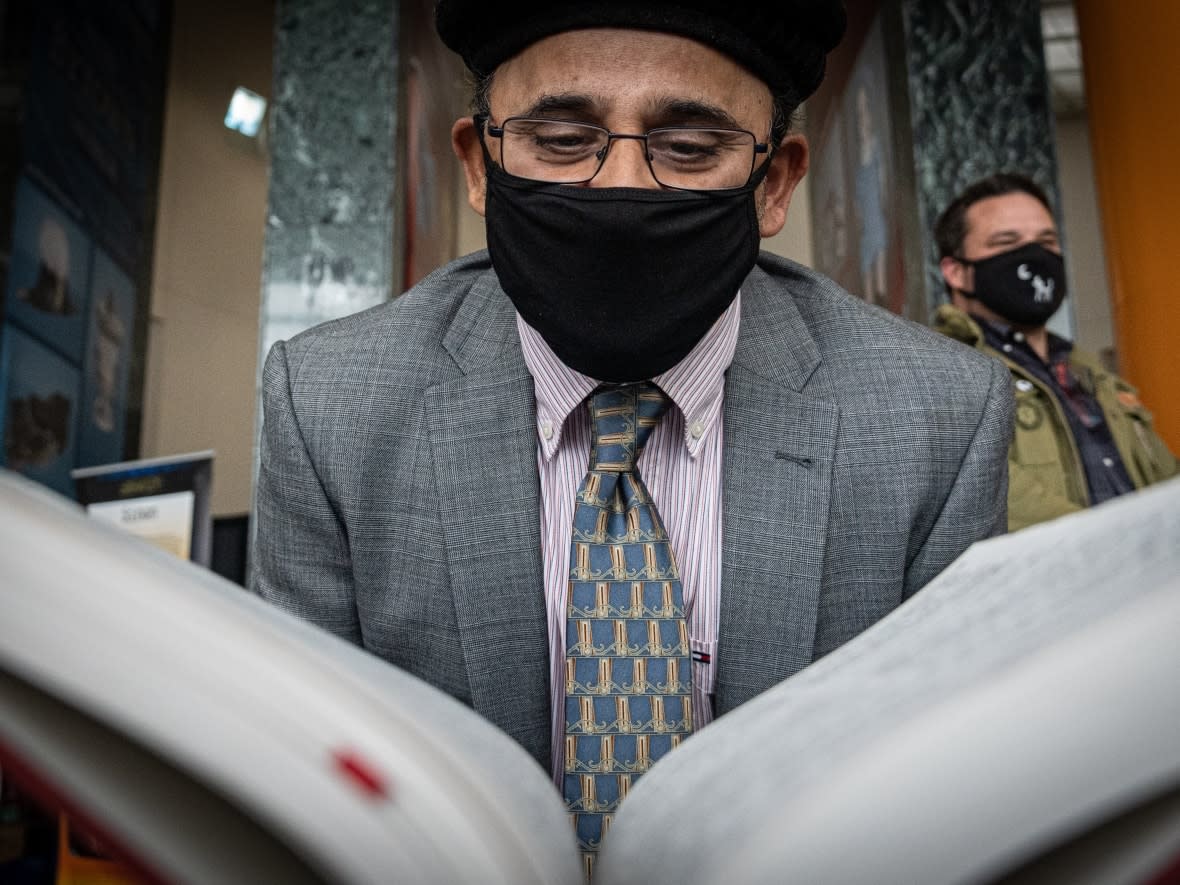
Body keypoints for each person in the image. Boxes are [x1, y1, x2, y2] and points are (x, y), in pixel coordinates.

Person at [251, 1, 1012, 871]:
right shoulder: (329, 408)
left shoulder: (939, 417)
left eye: (688, 148)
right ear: (478, 161)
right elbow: (309, 801)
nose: (621, 185)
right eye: (562, 137)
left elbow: (935, 811)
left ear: (774, 183)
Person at [933, 172, 1177, 532]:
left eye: (1046, 241)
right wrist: (1124, 544)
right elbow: (979, 498)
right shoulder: (936, 375)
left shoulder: (1092, 374)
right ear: (956, 272)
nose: (1034, 257)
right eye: (1007, 242)